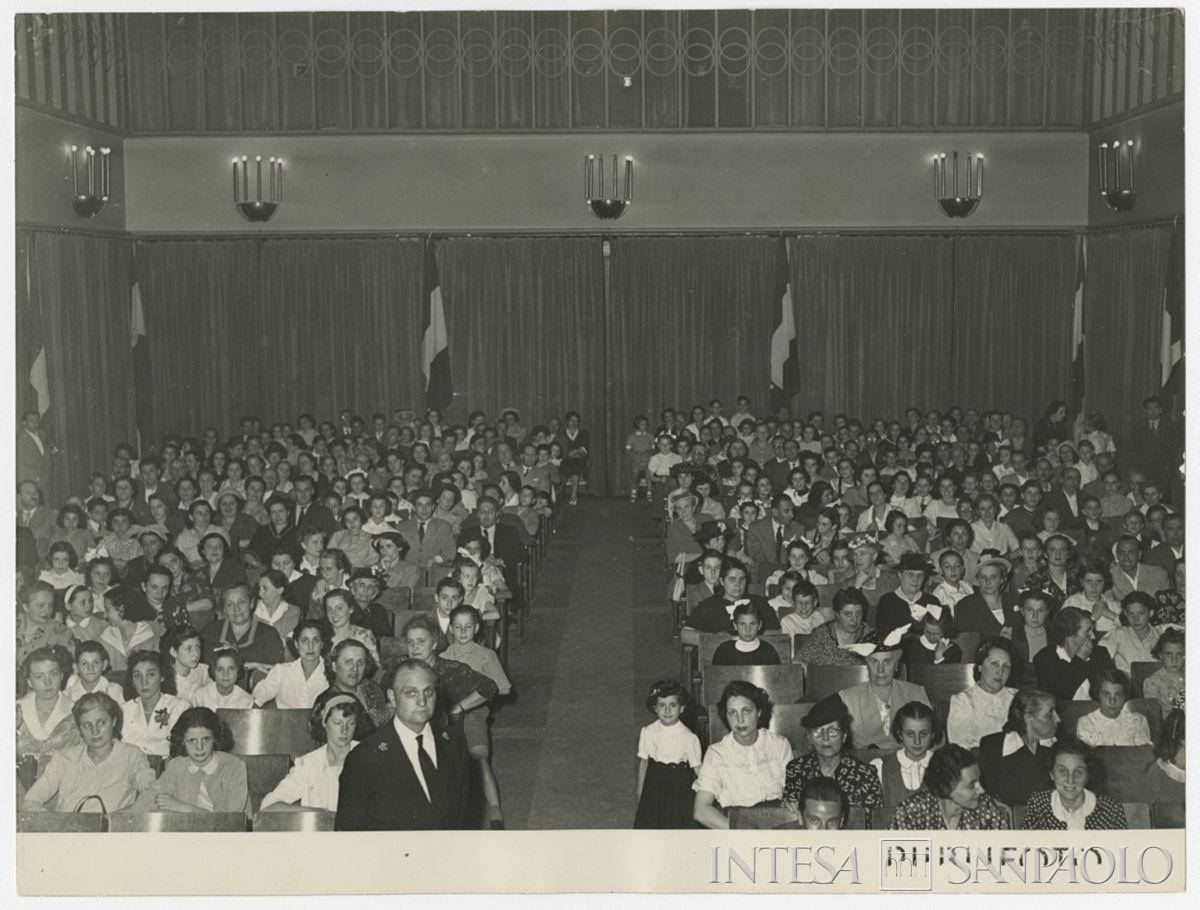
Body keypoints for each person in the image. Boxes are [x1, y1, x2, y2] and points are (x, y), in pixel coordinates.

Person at [335, 658, 470, 830]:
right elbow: (348, 830)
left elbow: (462, 814)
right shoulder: (364, 757)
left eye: (428, 692)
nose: (422, 702)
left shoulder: (454, 742)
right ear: (392, 697)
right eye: (411, 693)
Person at [440, 604, 514, 828]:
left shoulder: (486, 655)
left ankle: (495, 812)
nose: (463, 632)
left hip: (473, 714)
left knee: (479, 758)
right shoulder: (443, 656)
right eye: (458, 627)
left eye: (468, 627)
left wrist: (477, 691)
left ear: (477, 628)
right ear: (451, 628)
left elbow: (504, 688)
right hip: (447, 716)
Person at [21, 693, 156, 814]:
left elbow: (153, 794)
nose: (94, 731)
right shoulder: (64, 758)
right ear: (79, 728)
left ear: (114, 721)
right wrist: (58, 826)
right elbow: (30, 801)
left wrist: (119, 817)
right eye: (87, 725)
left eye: (101, 723)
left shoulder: (131, 755)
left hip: (112, 836)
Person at [693, 681, 794, 829]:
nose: (739, 720)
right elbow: (701, 811)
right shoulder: (717, 753)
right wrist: (740, 831)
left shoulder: (779, 745)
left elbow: (793, 795)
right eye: (732, 713)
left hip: (778, 821)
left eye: (746, 711)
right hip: (737, 823)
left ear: (759, 712)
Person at [260, 688, 368, 813]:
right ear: (324, 722)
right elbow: (268, 806)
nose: (345, 730)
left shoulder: (368, 756)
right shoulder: (308, 763)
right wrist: (317, 813)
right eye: (337, 723)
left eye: (351, 723)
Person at [133, 707, 248, 814]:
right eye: (192, 740)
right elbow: (150, 795)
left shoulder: (234, 766)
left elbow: (231, 819)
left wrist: (185, 807)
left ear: (215, 738)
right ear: (182, 741)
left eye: (206, 739)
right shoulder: (177, 766)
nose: (199, 747)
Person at [781, 694, 882, 810]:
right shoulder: (796, 770)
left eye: (833, 731)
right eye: (818, 731)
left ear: (844, 736)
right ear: (809, 737)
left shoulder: (866, 775)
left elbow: (874, 824)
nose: (825, 738)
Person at [634, 679, 703, 829]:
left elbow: (697, 768)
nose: (667, 711)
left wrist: (707, 793)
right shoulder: (648, 731)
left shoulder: (689, 737)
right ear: (655, 708)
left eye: (673, 705)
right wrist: (640, 791)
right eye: (662, 705)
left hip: (678, 785)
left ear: (682, 708)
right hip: (654, 782)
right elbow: (644, 762)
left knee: (677, 823)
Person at [890, 744, 1010, 830]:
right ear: (945, 787)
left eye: (979, 780)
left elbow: (1005, 855)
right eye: (971, 785)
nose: (981, 790)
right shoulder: (911, 813)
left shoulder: (986, 808)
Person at [838, 642, 930, 751]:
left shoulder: (916, 693)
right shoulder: (848, 698)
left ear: (896, 665)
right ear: (867, 664)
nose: (880, 669)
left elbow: (935, 738)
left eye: (887, 662)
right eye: (874, 661)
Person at [1020, 737, 1128, 830]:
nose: (1070, 780)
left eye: (1078, 772)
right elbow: (1026, 851)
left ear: (1087, 776)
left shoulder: (1110, 809)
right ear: (1052, 774)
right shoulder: (1038, 805)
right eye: (1062, 771)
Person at [978, 687, 1058, 807]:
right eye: (1050, 714)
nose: (1058, 719)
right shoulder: (993, 747)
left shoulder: (1059, 747)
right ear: (1029, 718)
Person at [200, 584, 286, 688]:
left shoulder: (268, 634)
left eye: (242, 602)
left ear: (252, 604)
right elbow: (203, 667)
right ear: (224, 609)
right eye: (230, 604)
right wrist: (246, 666)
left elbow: (277, 670)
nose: (237, 609)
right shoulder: (211, 630)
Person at [947, 638, 1018, 749]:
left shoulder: (1019, 698)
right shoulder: (963, 701)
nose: (1000, 672)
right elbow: (962, 747)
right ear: (980, 666)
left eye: (1006, 666)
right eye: (994, 664)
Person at [121, 649, 191, 757]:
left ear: (162, 676)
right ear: (131, 681)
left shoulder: (179, 708)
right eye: (137, 676)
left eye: (151, 674)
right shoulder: (123, 710)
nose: (144, 682)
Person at [1034, 606, 1115, 700]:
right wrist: (1080, 659)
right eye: (1088, 631)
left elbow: (1113, 689)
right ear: (1070, 634)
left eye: (1092, 630)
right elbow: (1055, 697)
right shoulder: (1045, 658)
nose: (1093, 637)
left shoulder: (1100, 653)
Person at [870, 701, 941, 807]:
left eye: (923, 734)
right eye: (910, 734)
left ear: (932, 734)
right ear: (900, 734)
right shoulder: (880, 766)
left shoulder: (943, 766)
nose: (917, 741)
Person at [17, 647, 81, 756]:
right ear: (29, 682)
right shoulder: (16, 709)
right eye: (39, 676)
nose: (48, 682)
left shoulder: (76, 711)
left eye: (53, 674)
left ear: (61, 676)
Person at [252, 620, 330, 709]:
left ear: (322, 644)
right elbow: (257, 699)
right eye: (305, 640)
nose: (310, 646)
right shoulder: (281, 672)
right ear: (296, 644)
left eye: (316, 640)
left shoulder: (332, 674)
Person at [793, 587, 879, 666]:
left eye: (859, 614)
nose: (854, 620)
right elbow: (798, 663)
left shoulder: (869, 635)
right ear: (837, 614)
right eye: (848, 614)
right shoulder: (822, 635)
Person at [324, 638, 390, 729]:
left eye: (360, 662)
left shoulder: (372, 688)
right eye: (348, 662)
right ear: (334, 666)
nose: (355, 668)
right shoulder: (326, 701)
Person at [1076, 669, 1152, 747]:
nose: (1112, 701)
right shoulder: (1087, 722)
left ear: (1125, 696)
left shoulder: (1137, 721)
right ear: (1097, 694)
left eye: (1118, 694)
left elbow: (1144, 754)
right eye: (1106, 694)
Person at [17, 581, 73, 670]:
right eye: (41, 605)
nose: (47, 611)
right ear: (26, 607)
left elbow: (66, 666)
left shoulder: (60, 632)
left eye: (50, 605)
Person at [1100, 591, 1161, 673]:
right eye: (1131, 614)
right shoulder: (1117, 635)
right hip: (1127, 683)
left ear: (1151, 613)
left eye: (1141, 613)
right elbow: (1099, 658)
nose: (1136, 619)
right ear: (1125, 613)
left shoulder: (1161, 636)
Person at [711, 601, 783, 666]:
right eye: (742, 624)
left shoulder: (768, 651)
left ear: (760, 625)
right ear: (735, 625)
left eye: (752, 624)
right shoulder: (724, 651)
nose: (747, 629)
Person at [1142, 627, 1185, 711]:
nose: (1174, 660)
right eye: (1169, 654)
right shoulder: (1152, 683)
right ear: (1161, 655)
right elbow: (1154, 716)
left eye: (1179, 654)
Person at [558, 411, 590, 505]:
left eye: (576, 421)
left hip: (579, 459)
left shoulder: (583, 433)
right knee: (566, 466)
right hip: (565, 459)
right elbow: (560, 449)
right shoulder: (562, 434)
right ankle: (560, 495)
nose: (574, 423)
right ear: (567, 422)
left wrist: (574, 452)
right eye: (572, 420)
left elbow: (584, 448)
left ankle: (573, 495)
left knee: (575, 465)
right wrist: (568, 454)